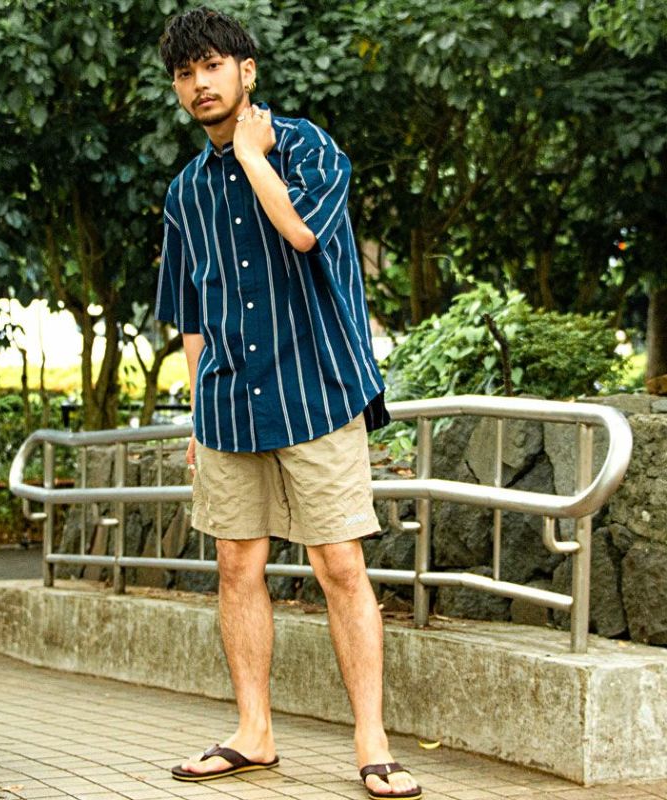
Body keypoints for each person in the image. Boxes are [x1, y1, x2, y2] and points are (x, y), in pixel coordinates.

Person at [155, 8, 422, 800]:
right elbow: (191, 313)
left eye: (211, 66)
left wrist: (250, 154)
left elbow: (303, 232)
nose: (199, 84)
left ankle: (372, 742)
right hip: (229, 403)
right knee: (236, 565)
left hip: (317, 392)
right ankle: (254, 733)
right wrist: (199, 411)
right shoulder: (184, 193)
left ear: (247, 71)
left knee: (339, 563)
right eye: (184, 73)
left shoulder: (307, 147)